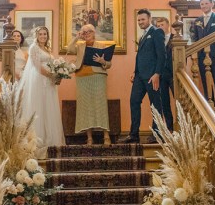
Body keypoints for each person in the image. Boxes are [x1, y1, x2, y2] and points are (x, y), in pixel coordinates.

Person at [119, 9, 165, 144]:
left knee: (155, 105)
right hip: (139, 76)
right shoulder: (143, 36)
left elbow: (162, 55)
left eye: (143, 19)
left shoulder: (157, 32)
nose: (140, 22)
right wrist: (135, 71)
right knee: (134, 101)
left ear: (149, 19)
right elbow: (140, 56)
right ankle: (134, 135)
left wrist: (157, 74)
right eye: (138, 20)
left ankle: (157, 135)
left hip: (152, 76)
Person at [18, 26, 65, 154]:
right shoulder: (34, 48)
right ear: (37, 36)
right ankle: (38, 140)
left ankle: (50, 140)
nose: (43, 36)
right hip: (39, 80)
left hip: (49, 81)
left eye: (45, 34)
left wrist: (58, 75)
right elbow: (37, 66)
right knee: (38, 107)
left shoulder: (47, 49)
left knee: (49, 107)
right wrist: (52, 75)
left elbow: (52, 65)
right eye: (41, 34)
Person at [67, 24, 112, 146]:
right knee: (85, 107)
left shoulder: (101, 46)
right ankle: (89, 138)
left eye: (89, 32)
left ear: (94, 33)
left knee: (100, 105)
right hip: (82, 78)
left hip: (98, 76)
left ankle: (106, 136)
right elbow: (69, 49)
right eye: (84, 32)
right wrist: (77, 37)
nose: (87, 34)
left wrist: (102, 61)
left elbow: (108, 64)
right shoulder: (80, 46)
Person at [190, 0, 215, 106]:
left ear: (212, 4)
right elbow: (195, 39)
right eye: (202, 4)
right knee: (205, 81)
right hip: (202, 56)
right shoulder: (197, 21)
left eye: (206, 3)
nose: (204, 6)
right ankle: (209, 102)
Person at [153, 17, 175, 139]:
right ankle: (169, 128)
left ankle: (181, 126)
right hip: (161, 76)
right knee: (165, 103)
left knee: (178, 100)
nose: (160, 27)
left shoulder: (176, 38)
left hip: (172, 74)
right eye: (158, 25)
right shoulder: (157, 40)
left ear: (168, 26)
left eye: (162, 25)